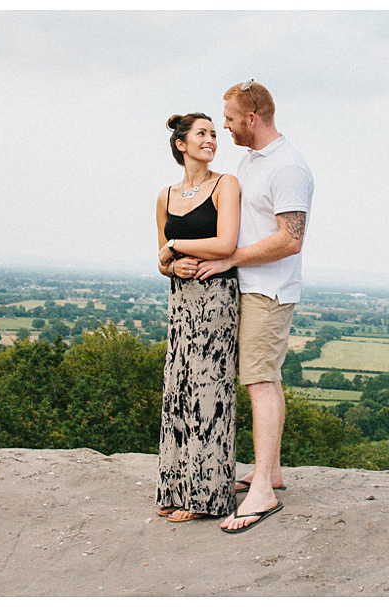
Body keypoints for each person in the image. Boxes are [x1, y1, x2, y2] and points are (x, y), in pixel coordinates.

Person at [194, 80, 313, 534]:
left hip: (269, 289)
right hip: (247, 286)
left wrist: (230, 258)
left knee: (259, 382)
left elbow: (290, 239)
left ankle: (262, 489)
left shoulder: (288, 167)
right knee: (263, 379)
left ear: (252, 117)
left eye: (228, 118)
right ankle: (272, 471)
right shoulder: (250, 162)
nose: (222, 126)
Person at [154, 112, 241, 523]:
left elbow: (226, 244)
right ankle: (175, 487)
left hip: (217, 300)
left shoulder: (226, 185)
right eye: (201, 134)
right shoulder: (165, 196)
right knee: (178, 390)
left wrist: (175, 245)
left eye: (212, 133)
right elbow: (161, 261)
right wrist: (174, 265)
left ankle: (206, 496)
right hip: (181, 299)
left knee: (210, 395)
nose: (211, 139)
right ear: (181, 145)